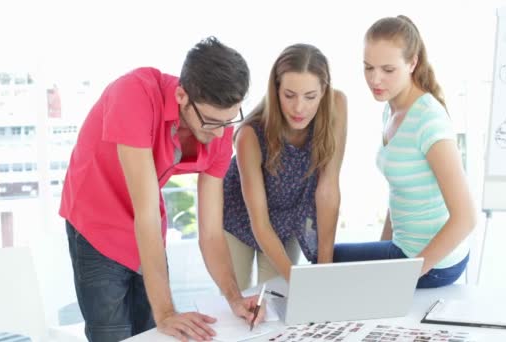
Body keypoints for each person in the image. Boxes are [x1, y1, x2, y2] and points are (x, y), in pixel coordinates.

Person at [59, 37, 264, 342]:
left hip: (147, 224)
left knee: (153, 334)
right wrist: (166, 311)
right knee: (114, 334)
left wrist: (234, 297)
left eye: (229, 119)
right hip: (95, 221)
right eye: (211, 121)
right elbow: (145, 213)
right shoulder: (133, 95)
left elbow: (210, 231)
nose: (221, 133)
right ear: (182, 95)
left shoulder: (219, 126)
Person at [333, 16, 476, 288]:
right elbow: (400, 189)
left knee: (326, 261)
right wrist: (383, 250)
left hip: (434, 263)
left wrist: (406, 274)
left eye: (388, 69)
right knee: (325, 259)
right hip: (404, 250)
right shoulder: (391, 109)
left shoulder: (428, 120)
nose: (375, 79)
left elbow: (466, 217)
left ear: (413, 63)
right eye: (368, 67)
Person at [222, 43, 348, 290]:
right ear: (276, 90)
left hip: (286, 219)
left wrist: (325, 271)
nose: (299, 108)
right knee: (240, 299)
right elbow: (259, 222)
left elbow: (328, 189)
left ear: (324, 90)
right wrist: (302, 283)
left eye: (310, 96)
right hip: (238, 217)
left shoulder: (337, 106)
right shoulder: (250, 134)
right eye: (289, 95)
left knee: (278, 297)